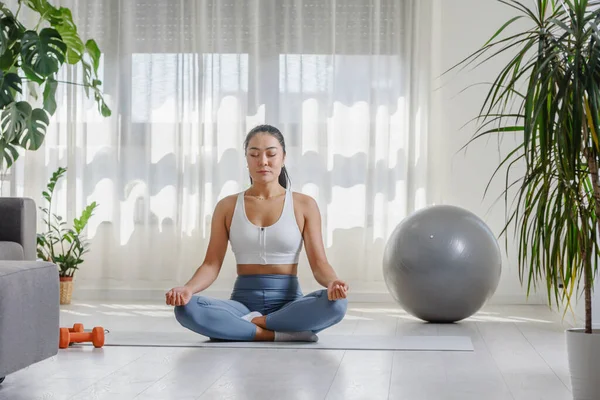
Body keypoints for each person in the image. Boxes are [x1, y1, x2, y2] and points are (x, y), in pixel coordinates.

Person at [165, 124, 349, 342]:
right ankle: (278, 333)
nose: (263, 161)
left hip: (289, 304)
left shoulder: (304, 205)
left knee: (337, 304)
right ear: (246, 159)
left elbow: (320, 264)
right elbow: (211, 264)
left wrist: (333, 283)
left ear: (283, 157)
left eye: (271, 154)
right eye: (254, 155)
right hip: (242, 304)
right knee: (186, 309)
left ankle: (253, 326)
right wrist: (187, 289)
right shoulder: (227, 206)